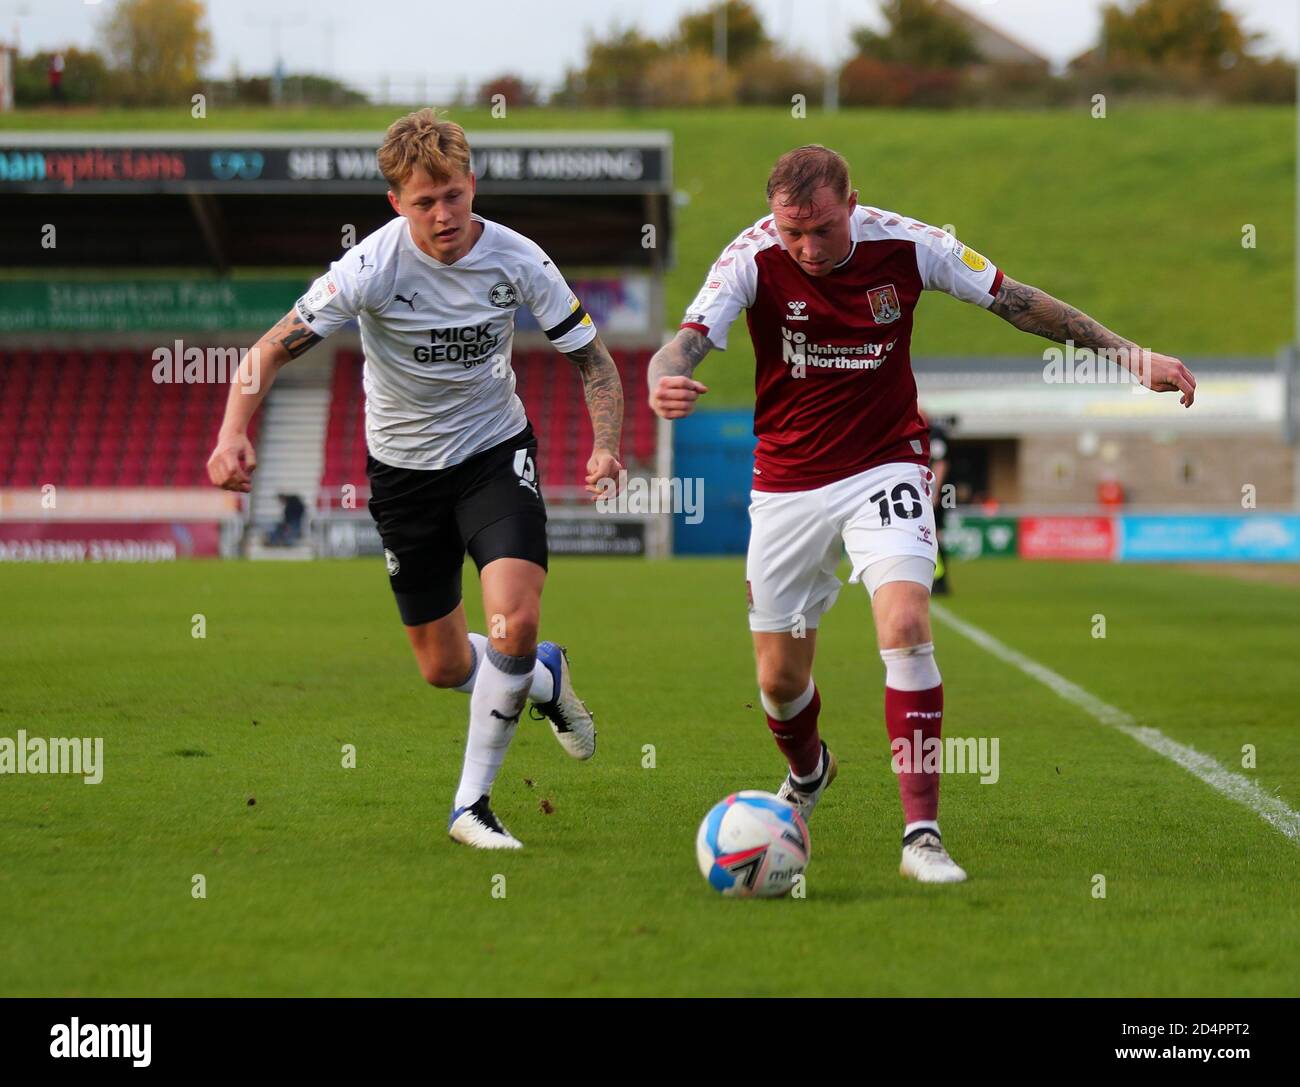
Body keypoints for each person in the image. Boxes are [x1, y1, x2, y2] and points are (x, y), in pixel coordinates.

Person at [649, 144, 1195, 883]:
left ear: (855, 204)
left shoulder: (912, 244)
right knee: (779, 679)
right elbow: (681, 346)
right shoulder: (749, 257)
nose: (807, 249)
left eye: (824, 230)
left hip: (886, 462)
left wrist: (1132, 357)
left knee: (905, 624)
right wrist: (664, 380)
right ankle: (809, 772)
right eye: (792, 233)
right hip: (787, 480)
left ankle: (922, 835)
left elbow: (1017, 300)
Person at [208, 109, 625, 850]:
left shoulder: (520, 259)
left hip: (495, 454)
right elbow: (271, 347)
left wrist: (606, 447)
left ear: (473, 185)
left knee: (513, 619)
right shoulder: (368, 269)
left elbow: (592, 359)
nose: (443, 215)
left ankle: (472, 805)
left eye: (454, 197)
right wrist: (232, 431)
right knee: (442, 666)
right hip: (403, 475)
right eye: (424, 202)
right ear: (396, 203)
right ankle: (542, 678)